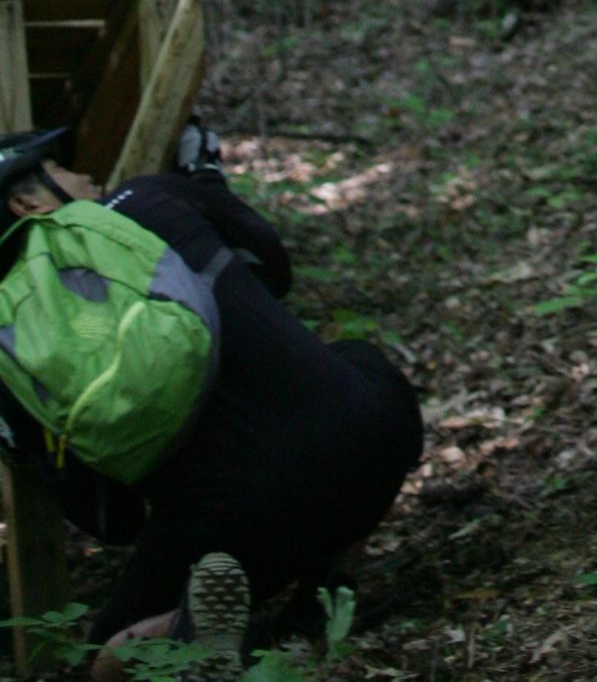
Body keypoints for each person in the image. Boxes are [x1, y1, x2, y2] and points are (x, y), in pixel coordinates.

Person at [0, 129, 422, 680]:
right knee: (356, 360)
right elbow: (275, 268)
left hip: (231, 523)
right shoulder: (148, 198)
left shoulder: (11, 348)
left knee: (101, 662)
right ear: (27, 200)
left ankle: (187, 630)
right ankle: (330, 583)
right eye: (66, 168)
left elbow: (110, 518)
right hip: (363, 443)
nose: (89, 180)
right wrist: (203, 188)